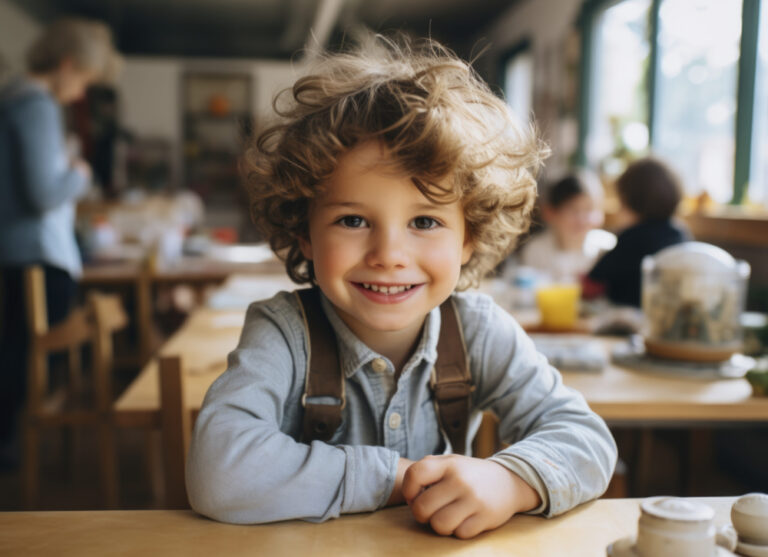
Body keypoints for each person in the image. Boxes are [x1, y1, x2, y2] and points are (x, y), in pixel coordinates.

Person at [186, 37, 617, 538]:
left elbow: (588, 441)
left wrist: (509, 480)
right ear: (304, 231)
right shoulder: (282, 333)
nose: (388, 254)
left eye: (426, 223)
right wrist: (400, 476)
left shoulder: (479, 330)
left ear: (468, 237)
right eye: (352, 220)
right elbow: (219, 472)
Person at [0, 18, 120, 467]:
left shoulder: (14, 98)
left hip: (17, 249)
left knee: (17, 347)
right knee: (29, 353)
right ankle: (12, 446)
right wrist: (79, 173)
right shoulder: (35, 105)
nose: (82, 92)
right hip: (35, 250)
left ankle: (12, 441)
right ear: (68, 64)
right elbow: (44, 193)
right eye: (85, 79)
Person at [584, 157, 690, 307]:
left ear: (629, 202)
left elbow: (590, 285)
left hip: (630, 320)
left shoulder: (632, 238)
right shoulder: (680, 234)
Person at [519, 171, 615, 281]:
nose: (582, 220)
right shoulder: (535, 251)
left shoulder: (607, 248)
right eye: (573, 210)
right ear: (550, 213)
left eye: (589, 209)